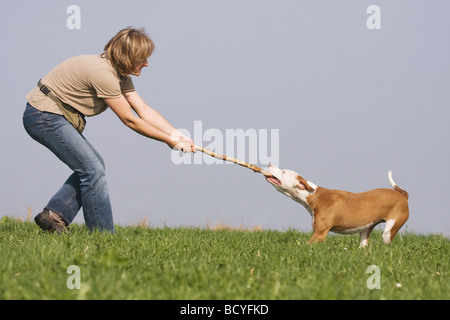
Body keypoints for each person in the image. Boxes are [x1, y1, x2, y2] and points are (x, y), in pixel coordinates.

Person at [23, 27, 195, 233]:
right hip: (43, 116)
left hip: (51, 116)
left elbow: (143, 109)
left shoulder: (119, 74)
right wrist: (168, 141)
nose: (147, 63)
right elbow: (129, 119)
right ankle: (103, 236)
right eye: (143, 58)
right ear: (128, 56)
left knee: (94, 167)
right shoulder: (103, 74)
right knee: (92, 169)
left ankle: (54, 215)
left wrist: (177, 135)